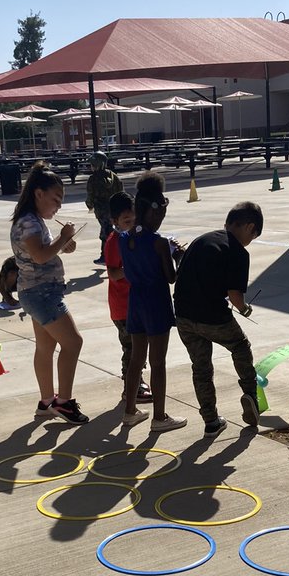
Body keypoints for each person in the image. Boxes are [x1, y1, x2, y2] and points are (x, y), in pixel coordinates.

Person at [173, 202, 263, 435]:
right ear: (249, 227)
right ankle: (250, 395)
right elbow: (235, 296)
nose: (249, 241)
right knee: (240, 347)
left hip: (183, 315)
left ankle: (211, 421)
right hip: (213, 317)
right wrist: (244, 309)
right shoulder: (238, 252)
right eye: (252, 236)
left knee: (201, 368)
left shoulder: (201, 239)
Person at [10, 161, 88, 424]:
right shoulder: (29, 223)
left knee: (46, 347)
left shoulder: (30, 221)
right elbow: (41, 256)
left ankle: (46, 403)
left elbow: (42, 252)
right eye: (55, 199)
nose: (58, 207)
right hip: (42, 294)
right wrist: (62, 238)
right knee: (73, 342)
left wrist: (62, 243)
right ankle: (63, 403)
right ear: (38, 194)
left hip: (34, 292)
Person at [119, 174, 186, 432]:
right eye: (159, 214)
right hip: (156, 300)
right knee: (158, 362)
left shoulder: (125, 238)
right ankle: (160, 416)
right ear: (150, 211)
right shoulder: (159, 242)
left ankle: (130, 411)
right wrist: (179, 255)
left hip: (135, 300)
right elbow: (170, 278)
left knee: (137, 358)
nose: (161, 219)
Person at [103, 191, 153, 404]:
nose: (131, 223)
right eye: (126, 221)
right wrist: (132, 266)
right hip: (123, 306)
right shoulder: (114, 242)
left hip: (136, 303)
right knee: (131, 348)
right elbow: (113, 273)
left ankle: (136, 380)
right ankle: (130, 386)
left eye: (134, 219)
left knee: (139, 345)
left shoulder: (135, 236)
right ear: (114, 222)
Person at [85, 150, 122, 263]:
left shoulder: (93, 179)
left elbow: (90, 196)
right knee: (108, 230)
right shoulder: (113, 175)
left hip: (101, 211)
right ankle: (108, 255)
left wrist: (89, 205)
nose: (91, 167)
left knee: (106, 233)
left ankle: (106, 256)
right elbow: (120, 190)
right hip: (113, 208)